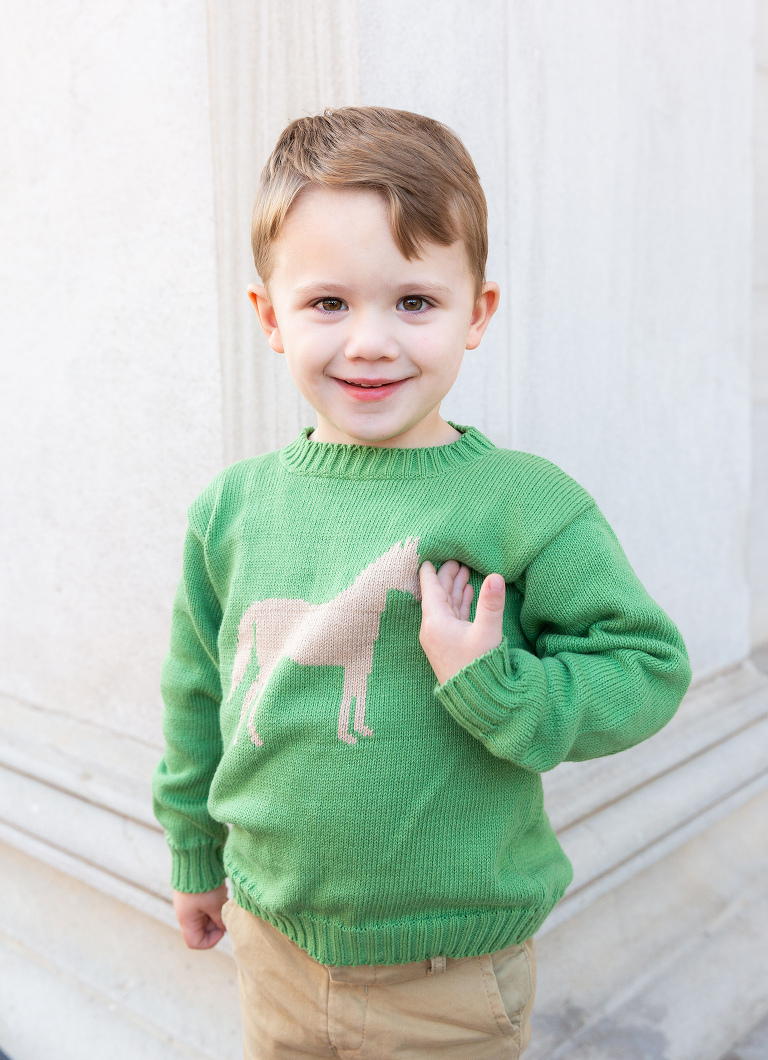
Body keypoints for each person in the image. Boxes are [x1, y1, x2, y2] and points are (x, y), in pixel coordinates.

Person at [152, 106, 691, 1059]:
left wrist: (496, 682)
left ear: (475, 312)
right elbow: (199, 691)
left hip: (448, 980)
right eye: (328, 304)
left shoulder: (523, 505)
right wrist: (195, 852)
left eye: (413, 302)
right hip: (273, 946)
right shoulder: (231, 509)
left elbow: (646, 668)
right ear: (269, 317)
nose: (369, 342)